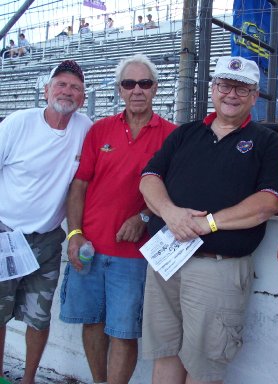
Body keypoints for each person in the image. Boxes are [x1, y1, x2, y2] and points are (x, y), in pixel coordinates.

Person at [139, 56, 278, 384]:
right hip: (167, 260)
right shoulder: (185, 133)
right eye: (224, 85)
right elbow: (149, 178)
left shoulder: (267, 142)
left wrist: (210, 223)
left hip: (216, 267)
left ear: (254, 95)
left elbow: (268, 203)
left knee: (205, 366)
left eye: (242, 87)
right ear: (213, 89)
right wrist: (169, 213)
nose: (231, 93)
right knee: (165, 353)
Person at [59, 54, 176, 384]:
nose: (136, 90)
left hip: (135, 255)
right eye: (129, 83)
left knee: (124, 332)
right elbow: (79, 184)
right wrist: (75, 233)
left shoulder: (171, 135)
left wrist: (144, 214)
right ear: (119, 90)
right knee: (92, 322)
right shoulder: (100, 130)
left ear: (155, 89)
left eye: (144, 83)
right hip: (90, 247)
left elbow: (176, 192)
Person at [0, 60, 91, 384]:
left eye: (75, 88)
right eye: (61, 85)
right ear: (46, 90)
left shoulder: (85, 128)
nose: (67, 92)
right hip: (6, 234)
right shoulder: (17, 123)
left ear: (82, 97)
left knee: (39, 318)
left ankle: (28, 379)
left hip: (48, 239)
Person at [231, 0, 278, 122]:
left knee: (265, 115)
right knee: (262, 117)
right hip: (257, 62)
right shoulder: (268, 5)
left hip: (268, 64)